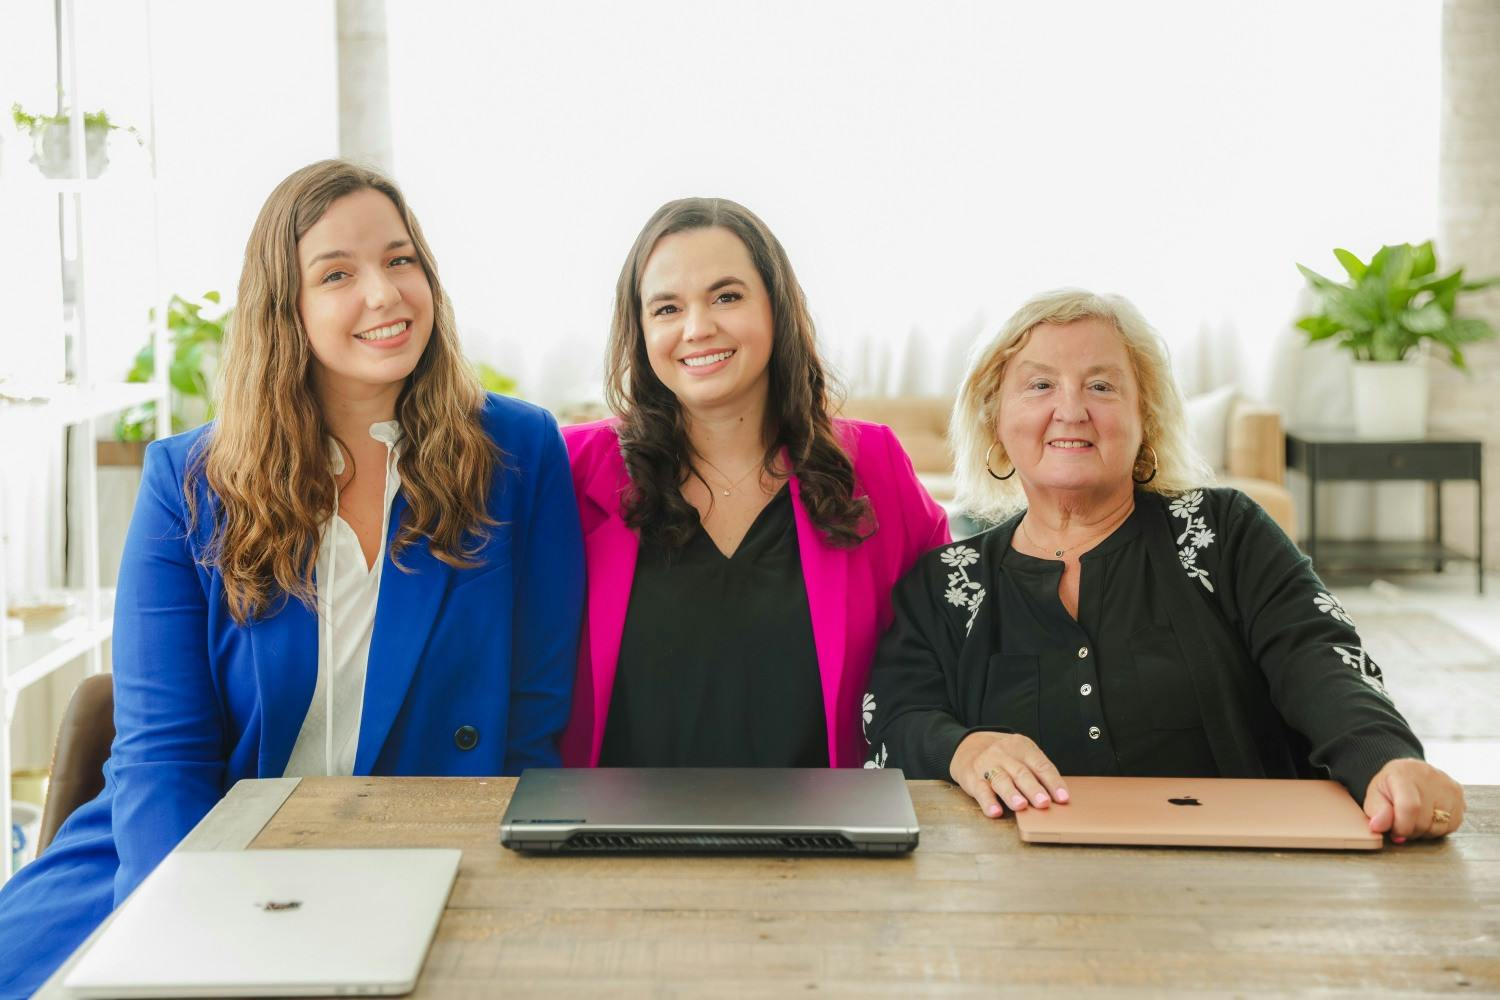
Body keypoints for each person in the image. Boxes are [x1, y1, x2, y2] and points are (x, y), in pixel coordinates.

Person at [0, 160, 584, 996]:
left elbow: (531, 723)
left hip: (427, 865)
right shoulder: (188, 482)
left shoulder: (518, 453)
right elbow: (163, 756)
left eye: (401, 259)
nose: (384, 294)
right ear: (286, 309)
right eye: (337, 274)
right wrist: (172, 934)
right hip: (188, 862)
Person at [863, 288, 1465, 841]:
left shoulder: (1224, 531)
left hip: (1244, 881)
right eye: (1040, 385)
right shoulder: (946, 581)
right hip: (1013, 900)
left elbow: (1319, 658)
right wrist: (963, 749)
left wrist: (1384, 760)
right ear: (995, 420)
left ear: (1145, 417)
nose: (1071, 410)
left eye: (1101, 386)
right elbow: (896, 714)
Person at [560, 197, 949, 769]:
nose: (697, 328)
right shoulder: (572, 469)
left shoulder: (875, 465)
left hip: (825, 842)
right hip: (615, 842)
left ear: (777, 308)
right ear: (639, 330)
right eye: (666, 308)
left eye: (727, 296)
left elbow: (945, 650)